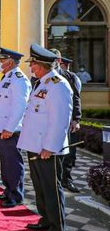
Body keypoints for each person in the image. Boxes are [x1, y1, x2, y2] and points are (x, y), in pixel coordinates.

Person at [18, 44, 73, 231]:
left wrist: (50, 146)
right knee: (40, 186)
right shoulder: (42, 83)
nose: (31, 67)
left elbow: (60, 120)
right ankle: (45, 219)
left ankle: (57, 227)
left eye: (33, 64)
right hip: (35, 145)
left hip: (48, 148)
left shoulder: (58, 84)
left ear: (41, 65)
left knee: (51, 188)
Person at [0, 47, 31, 208]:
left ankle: (16, 195)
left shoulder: (19, 79)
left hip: (10, 130)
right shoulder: (7, 77)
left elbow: (19, 107)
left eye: (1, 60)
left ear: (10, 62)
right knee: (5, 162)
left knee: (13, 162)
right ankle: (8, 190)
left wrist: (9, 128)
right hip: (2, 128)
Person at [50, 51, 82, 193]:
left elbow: (76, 99)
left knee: (68, 153)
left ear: (58, 60)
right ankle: (53, 180)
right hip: (50, 121)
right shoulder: (42, 77)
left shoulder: (69, 77)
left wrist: (76, 119)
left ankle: (66, 180)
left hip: (68, 122)